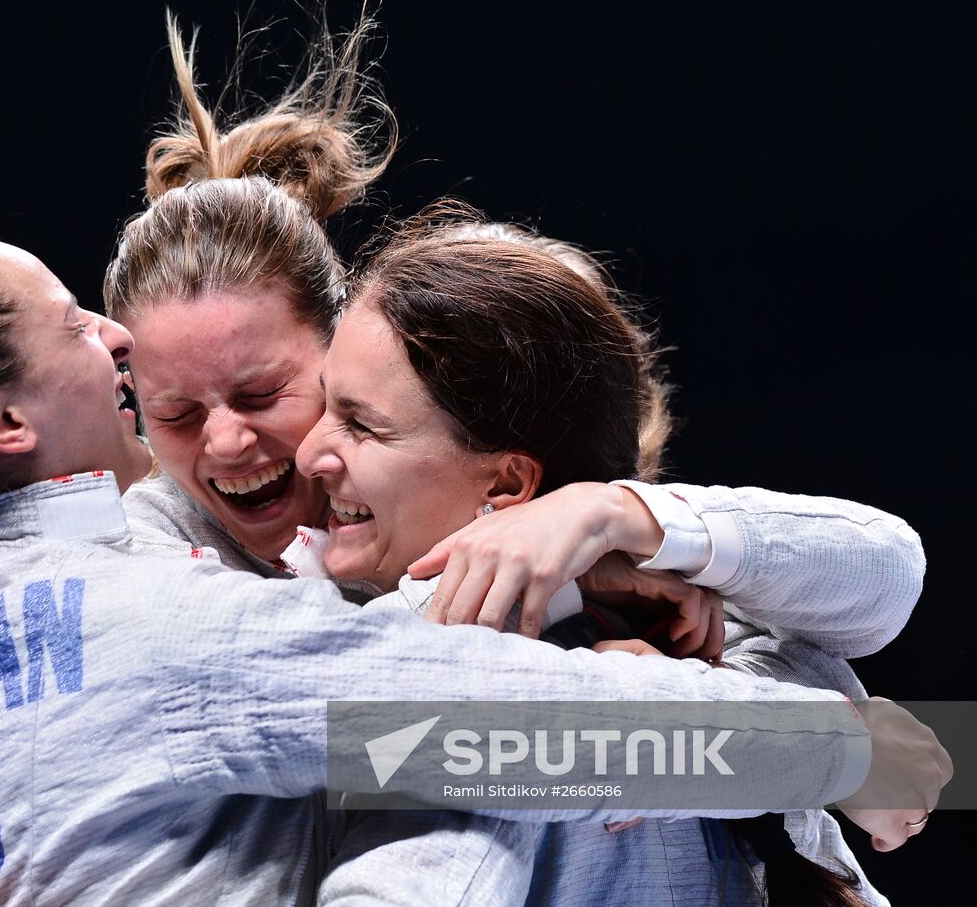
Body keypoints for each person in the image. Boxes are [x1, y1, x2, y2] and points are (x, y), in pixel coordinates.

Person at [0, 231, 944, 906]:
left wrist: (612, 531)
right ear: (1, 423)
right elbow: (519, 736)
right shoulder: (164, 631)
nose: (109, 337)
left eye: (344, 415)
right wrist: (855, 753)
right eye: (71, 320)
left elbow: (876, 571)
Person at [298, 213, 896, 904]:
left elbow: (890, 574)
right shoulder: (651, 653)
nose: (309, 452)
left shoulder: (707, 641)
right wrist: (847, 756)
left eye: (361, 424)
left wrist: (610, 512)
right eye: (320, 403)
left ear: (506, 484)